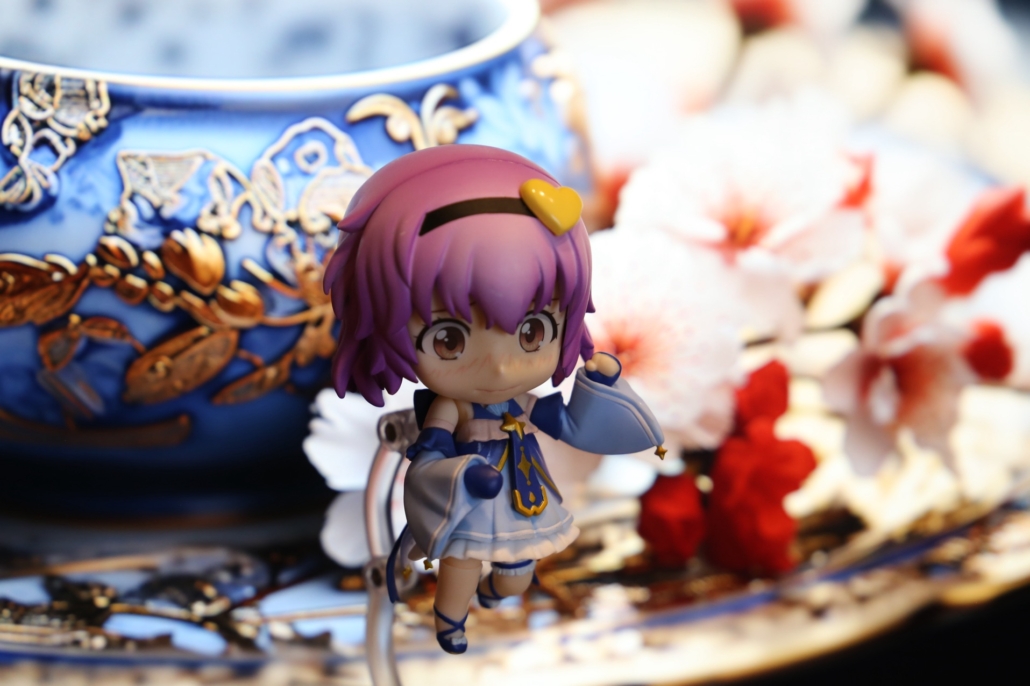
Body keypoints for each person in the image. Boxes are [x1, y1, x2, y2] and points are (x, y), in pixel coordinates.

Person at [324, 145, 664, 654]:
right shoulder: (452, 407)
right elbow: (431, 451)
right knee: (460, 563)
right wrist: (458, 475)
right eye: (449, 340)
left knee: (516, 575)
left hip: (523, 496)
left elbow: (564, 423)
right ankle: (450, 621)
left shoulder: (520, 400)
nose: (502, 368)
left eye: (532, 331)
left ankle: (494, 593)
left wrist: (600, 391)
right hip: (471, 494)